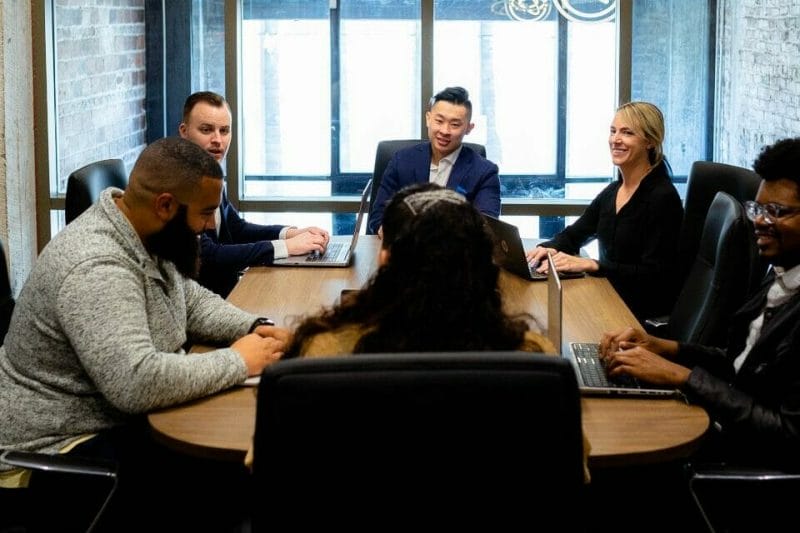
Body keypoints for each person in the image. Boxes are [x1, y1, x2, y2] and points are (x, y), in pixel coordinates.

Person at [0, 137, 288, 531]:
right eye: (205, 213)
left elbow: (190, 299)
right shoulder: (96, 267)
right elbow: (135, 382)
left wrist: (258, 329)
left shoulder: (143, 231)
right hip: (58, 450)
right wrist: (240, 360)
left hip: (112, 420)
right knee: (228, 476)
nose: (209, 226)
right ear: (165, 204)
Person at [599, 136, 800, 471]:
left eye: (777, 212)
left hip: (734, 470)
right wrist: (662, 347)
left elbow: (789, 437)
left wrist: (683, 377)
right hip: (720, 432)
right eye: (758, 208)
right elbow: (741, 363)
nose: (760, 221)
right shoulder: (782, 274)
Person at [526, 101, 683, 321]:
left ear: (650, 141)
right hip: (609, 295)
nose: (615, 139)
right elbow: (575, 234)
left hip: (636, 312)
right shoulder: (613, 191)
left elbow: (655, 275)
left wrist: (594, 264)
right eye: (613, 131)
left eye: (627, 133)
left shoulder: (662, 198)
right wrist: (548, 248)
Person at [179, 91, 330, 297]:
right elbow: (209, 255)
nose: (217, 140)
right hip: (207, 305)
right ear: (184, 131)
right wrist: (286, 247)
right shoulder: (177, 182)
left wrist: (291, 233)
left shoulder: (209, 174)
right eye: (206, 130)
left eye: (224, 131)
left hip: (229, 294)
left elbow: (236, 228)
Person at [367, 86, 501, 234]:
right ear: (428, 119)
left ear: (469, 128)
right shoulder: (402, 160)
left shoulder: (485, 172)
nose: (444, 131)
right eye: (439, 121)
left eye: (455, 124)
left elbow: (486, 227)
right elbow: (378, 216)